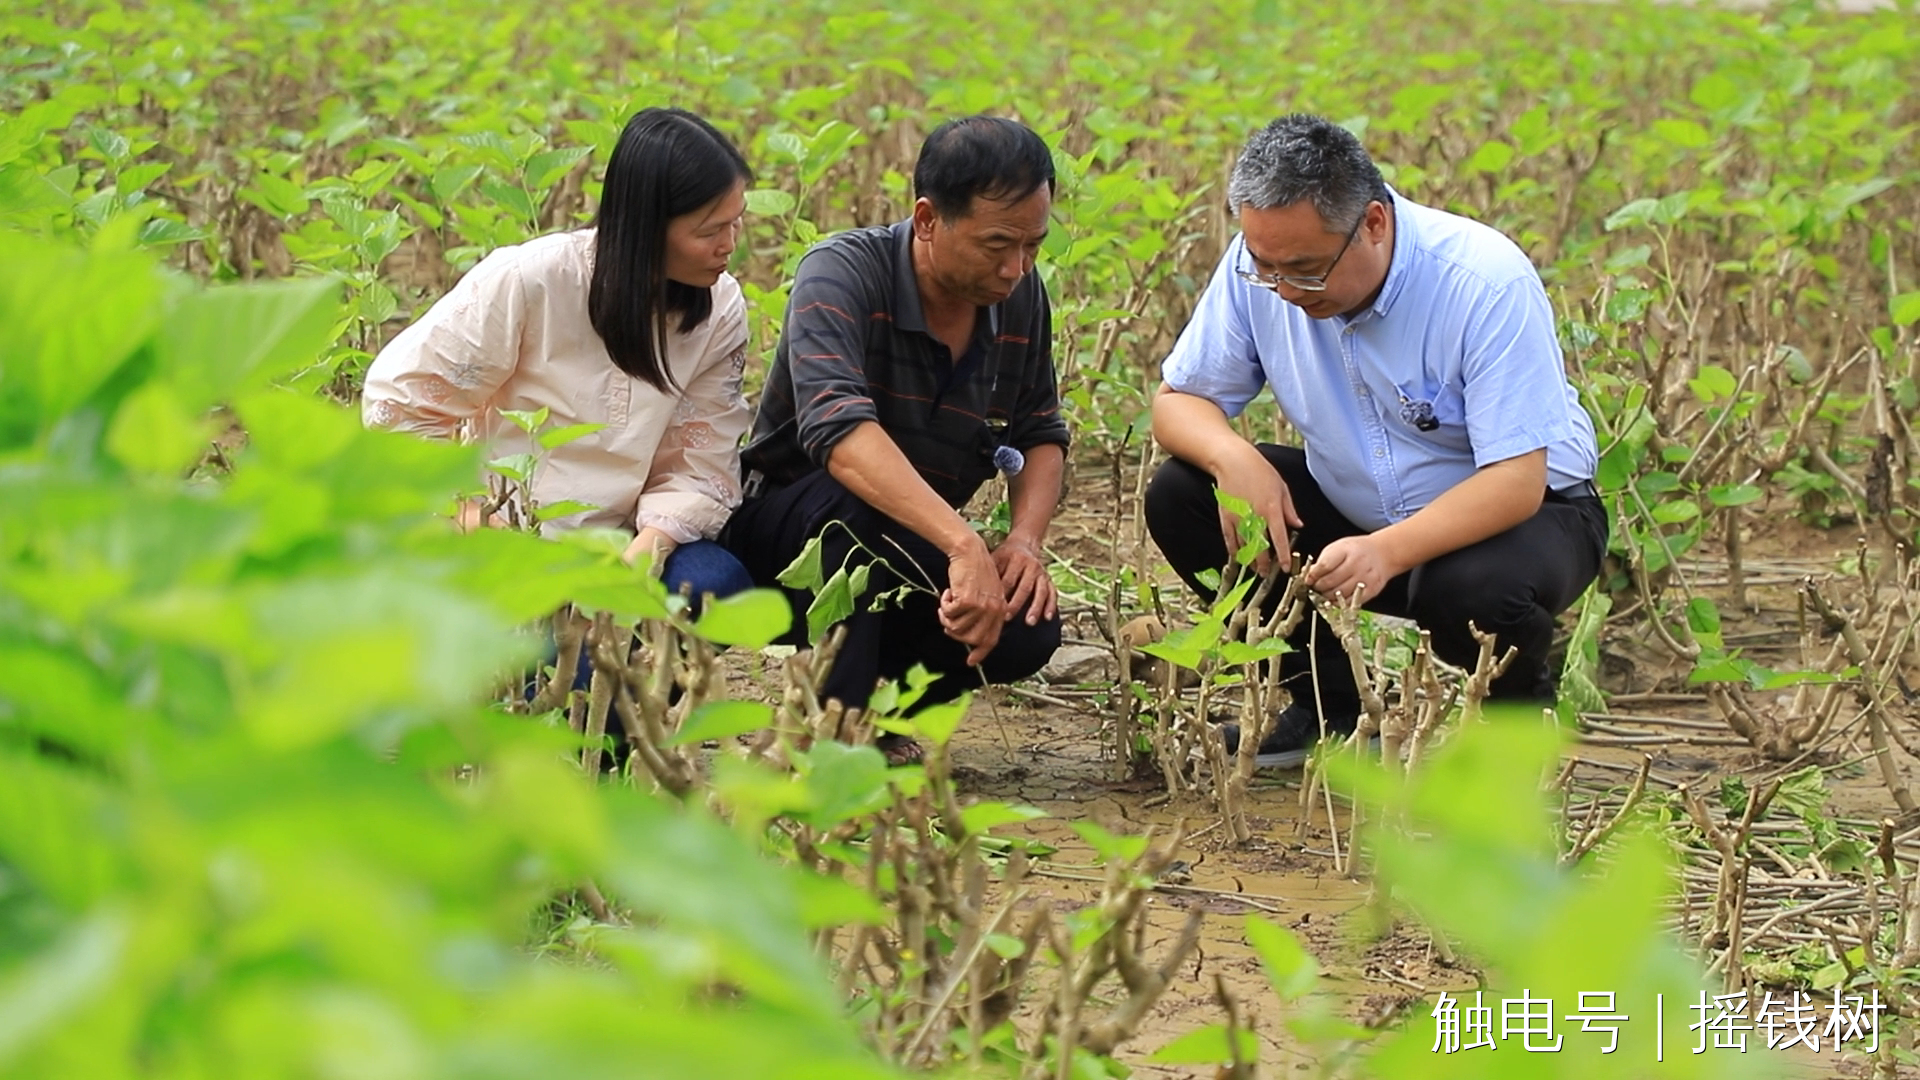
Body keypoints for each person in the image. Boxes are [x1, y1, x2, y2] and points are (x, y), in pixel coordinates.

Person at [1145, 114, 1606, 768]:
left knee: (1470, 589)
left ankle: (1512, 734)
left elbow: (1516, 481)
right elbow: (1177, 402)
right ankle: (1330, 715)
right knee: (1181, 493)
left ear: (1374, 225)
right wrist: (1230, 456)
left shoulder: (1482, 280)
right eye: (1265, 267)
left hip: (1530, 520)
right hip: (1361, 515)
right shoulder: (1265, 263)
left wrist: (1387, 551)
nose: (1282, 290)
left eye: (1305, 270)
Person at [362, 106, 757, 720]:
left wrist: (635, 564)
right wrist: (478, 523)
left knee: (714, 584)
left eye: (737, 222)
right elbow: (398, 406)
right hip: (512, 546)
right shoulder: (530, 282)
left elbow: (702, 461)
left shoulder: (719, 308)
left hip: (623, 550)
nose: (729, 246)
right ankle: (556, 715)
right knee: (543, 666)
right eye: (710, 229)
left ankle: (590, 720)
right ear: (649, 225)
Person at [722, 115, 1068, 763]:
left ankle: (885, 717)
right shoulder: (844, 271)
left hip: (913, 536)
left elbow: (1040, 430)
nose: (1016, 268)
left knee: (1029, 627)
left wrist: (1023, 541)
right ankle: (831, 739)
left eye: (1033, 246)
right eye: (997, 244)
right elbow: (839, 430)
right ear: (929, 219)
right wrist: (964, 543)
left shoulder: (1020, 297)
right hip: (790, 529)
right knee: (856, 517)